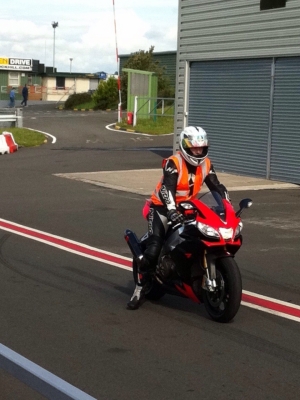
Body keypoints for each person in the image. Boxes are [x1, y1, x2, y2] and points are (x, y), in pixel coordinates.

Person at [127, 126, 231, 310]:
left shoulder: (206, 164)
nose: (198, 152)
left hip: (189, 207)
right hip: (162, 208)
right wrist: (172, 210)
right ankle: (140, 288)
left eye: (201, 148)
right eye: (194, 149)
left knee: (204, 235)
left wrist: (227, 205)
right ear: (185, 147)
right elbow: (167, 189)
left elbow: (216, 186)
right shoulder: (173, 162)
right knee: (154, 248)